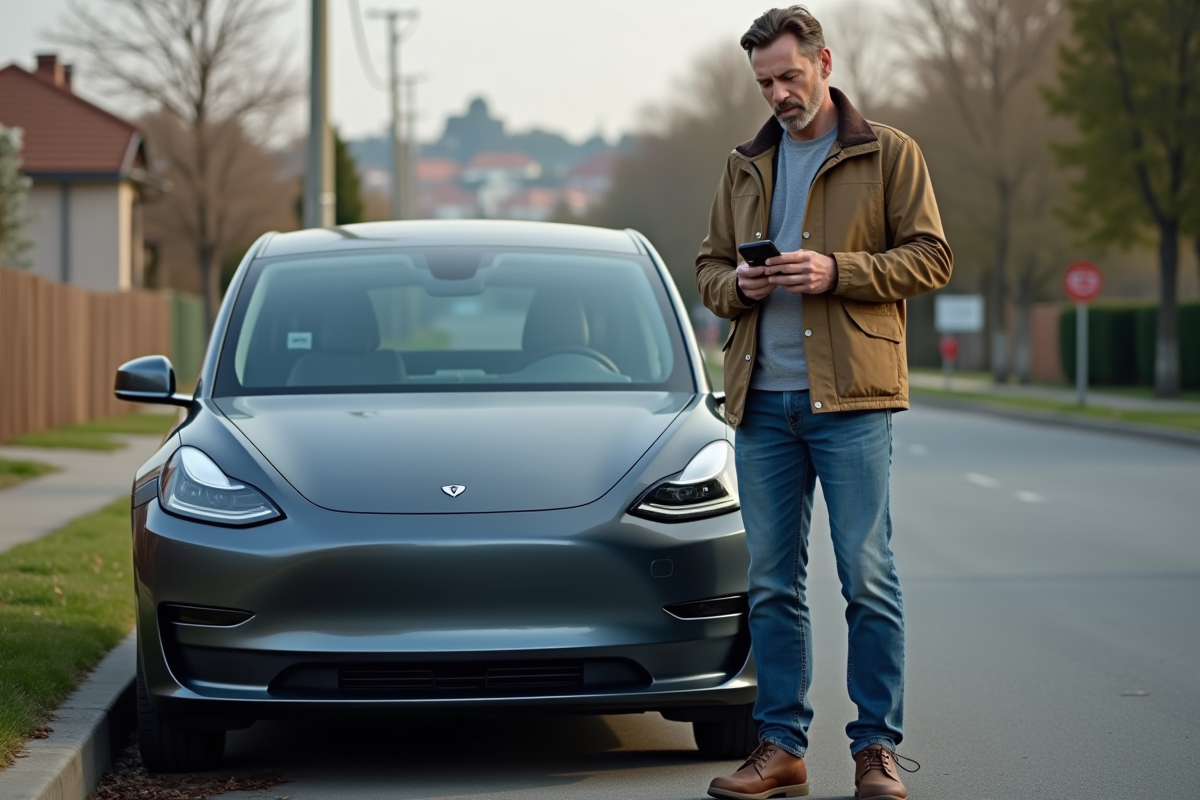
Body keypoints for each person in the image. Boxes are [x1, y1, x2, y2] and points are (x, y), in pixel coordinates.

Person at [695, 6, 953, 800]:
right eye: (765, 81)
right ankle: (781, 747)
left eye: (788, 76)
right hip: (762, 407)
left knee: (867, 578)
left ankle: (875, 750)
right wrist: (736, 285)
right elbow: (706, 267)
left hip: (852, 401)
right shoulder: (744, 165)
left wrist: (837, 271)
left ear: (824, 62)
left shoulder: (889, 152)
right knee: (772, 584)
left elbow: (932, 257)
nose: (777, 93)